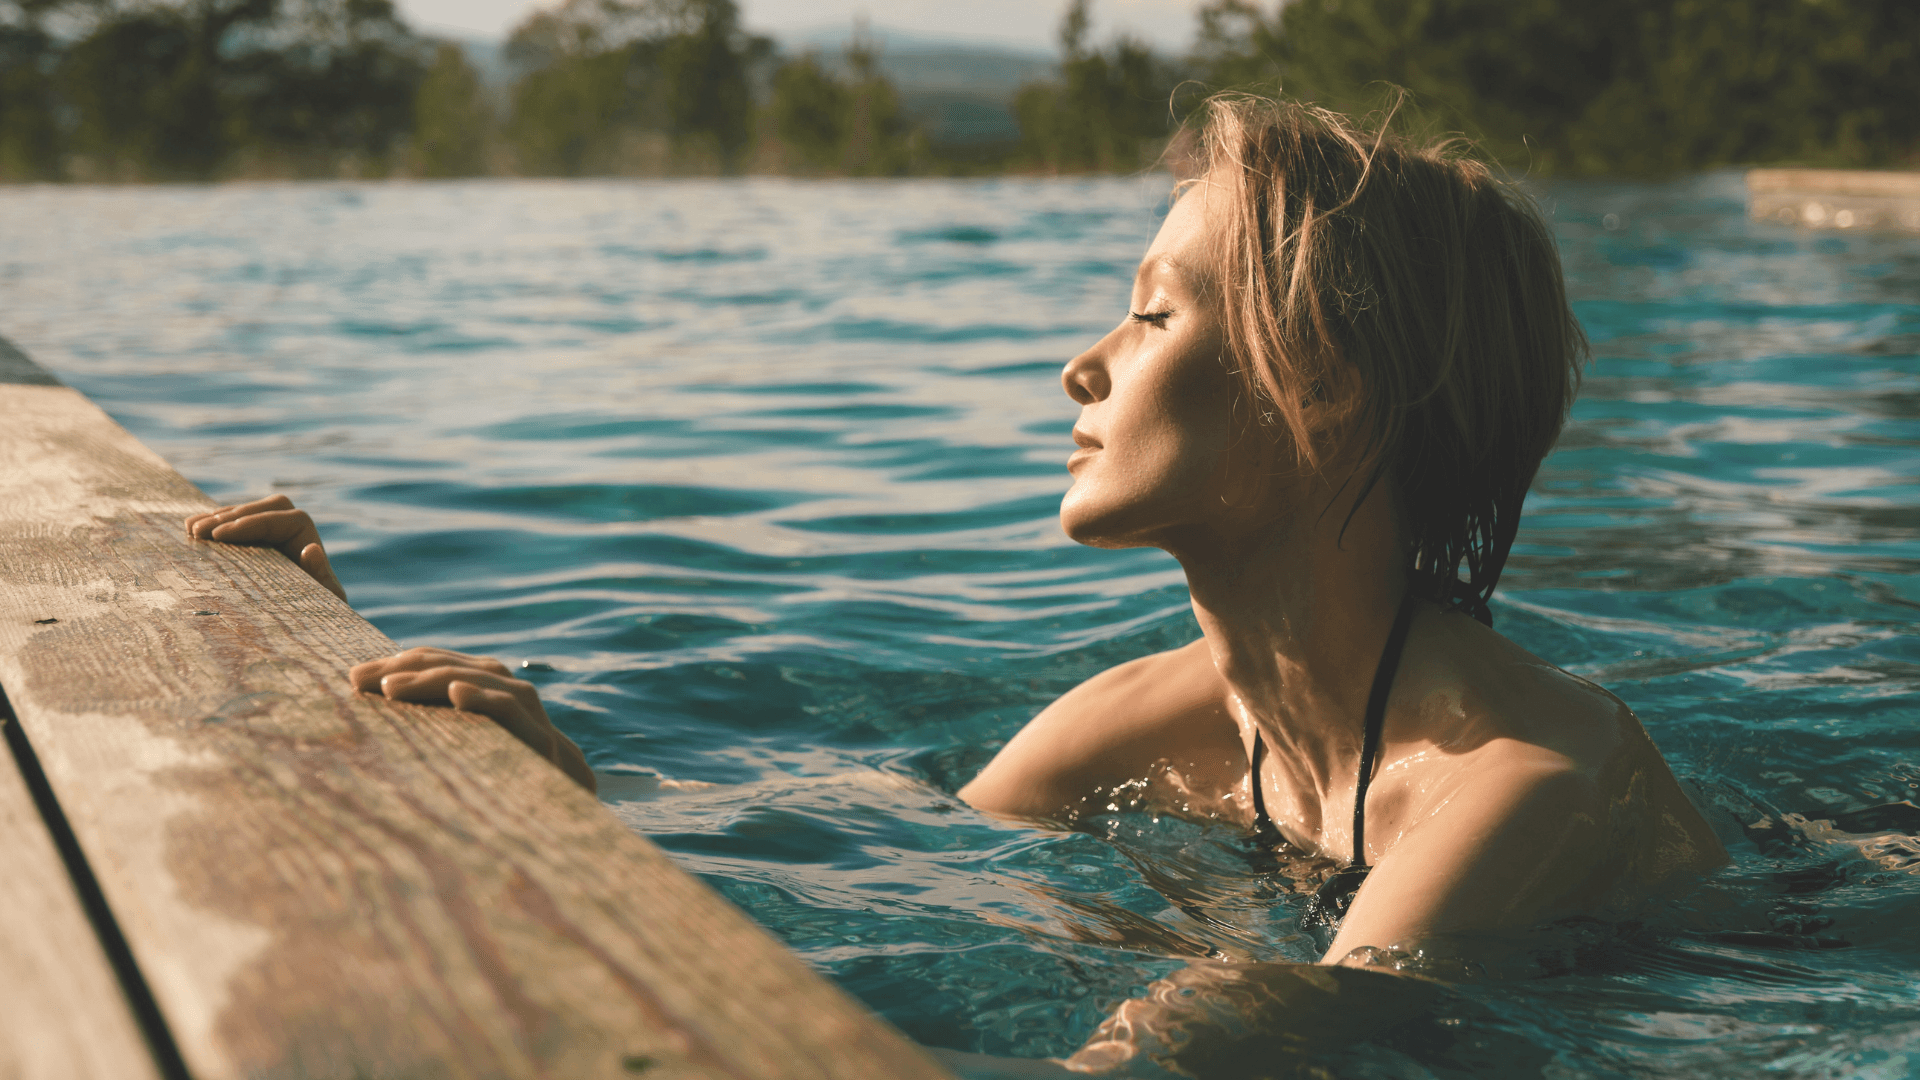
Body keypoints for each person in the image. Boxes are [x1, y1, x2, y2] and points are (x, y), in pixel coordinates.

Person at [191, 95, 1726, 1075]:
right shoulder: (1146, 723)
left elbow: (1306, 1015)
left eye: (1154, 317)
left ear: (1321, 392)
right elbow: (856, 875)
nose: (1080, 367)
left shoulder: (1526, 781)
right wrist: (529, 780)